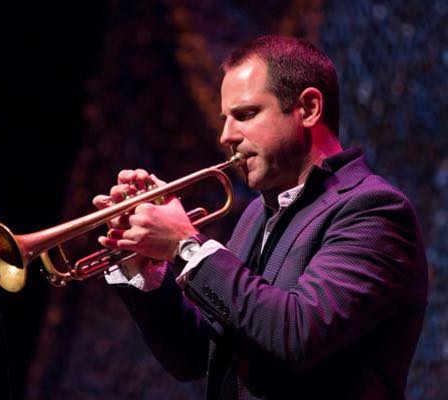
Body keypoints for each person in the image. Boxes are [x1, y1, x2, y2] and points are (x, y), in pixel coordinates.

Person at [92, 35, 428, 400]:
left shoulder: (374, 210)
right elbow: (194, 358)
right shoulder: (257, 214)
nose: (226, 136)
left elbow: (297, 335)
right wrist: (148, 273)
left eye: (246, 115)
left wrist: (185, 246)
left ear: (309, 108)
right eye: (225, 119)